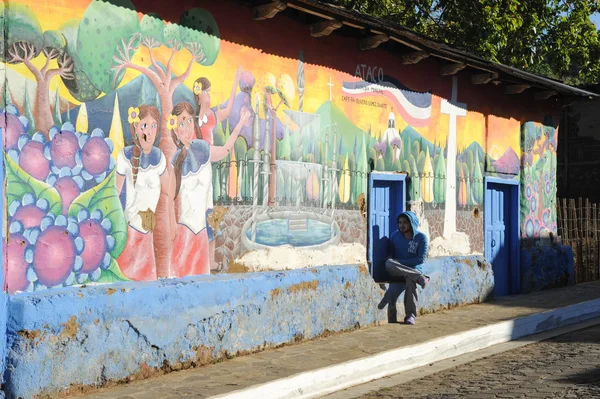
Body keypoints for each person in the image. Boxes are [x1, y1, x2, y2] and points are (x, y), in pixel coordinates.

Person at [168, 101, 251, 277]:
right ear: (175, 130)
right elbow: (169, 200)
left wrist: (240, 123)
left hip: (202, 230)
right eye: (182, 124)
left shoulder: (202, 149)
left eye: (190, 121)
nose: (188, 127)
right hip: (185, 233)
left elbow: (226, 149)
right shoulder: (175, 161)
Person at [193, 67, 242, 270]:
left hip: (207, 171)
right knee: (195, 216)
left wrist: (234, 83)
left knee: (209, 214)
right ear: (199, 94)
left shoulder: (212, 117)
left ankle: (210, 259)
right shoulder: (193, 119)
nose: (210, 96)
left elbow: (229, 110)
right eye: (207, 92)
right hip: (194, 172)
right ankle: (198, 258)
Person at [116, 105, 168, 281]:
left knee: (147, 281)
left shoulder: (159, 158)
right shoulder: (124, 156)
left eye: (154, 126)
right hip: (130, 231)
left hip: (148, 232)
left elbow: (169, 191)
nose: (150, 131)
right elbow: (116, 194)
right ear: (135, 127)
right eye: (144, 125)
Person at [382, 211, 430, 325]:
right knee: (388, 262)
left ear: (412, 223)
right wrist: (396, 263)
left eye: (405, 223)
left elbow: (420, 259)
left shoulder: (421, 238)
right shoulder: (394, 236)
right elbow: (392, 256)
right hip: (398, 270)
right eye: (399, 222)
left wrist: (401, 263)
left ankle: (410, 315)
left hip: (414, 269)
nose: (401, 225)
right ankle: (420, 278)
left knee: (410, 281)